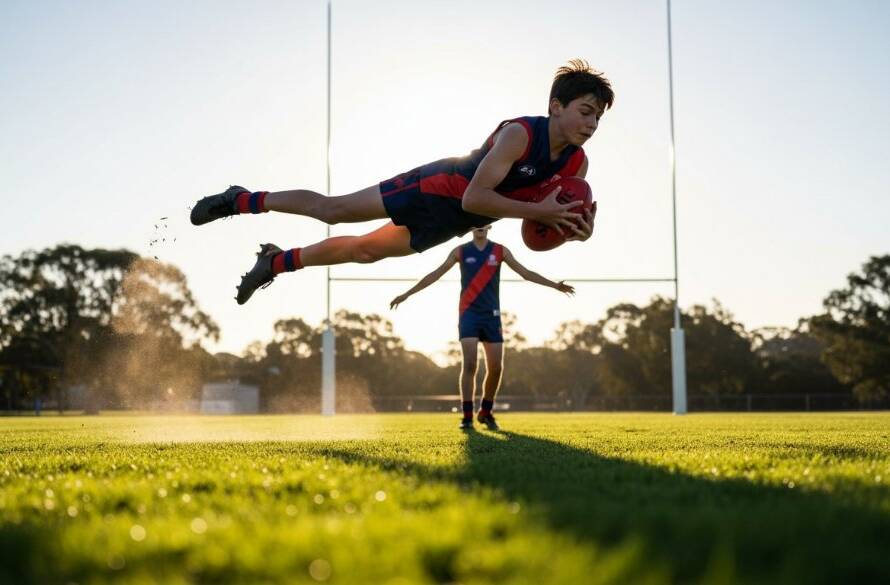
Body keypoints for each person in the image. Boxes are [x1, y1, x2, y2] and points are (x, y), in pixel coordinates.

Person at [190, 59, 612, 304]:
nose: (592, 123)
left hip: (454, 222)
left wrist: (574, 231)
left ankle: (275, 262)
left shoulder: (577, 166)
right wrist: (540, 211)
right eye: (586, 111)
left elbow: (535, 229)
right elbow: (475, 196)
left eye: (598, 116)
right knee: (334, 211)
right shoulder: (520, 133)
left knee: (366, 252)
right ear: (556, 106)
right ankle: (243, 199)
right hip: (437, 186)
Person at [389, 225, 574, 430]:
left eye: (484, 223)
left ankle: (485, 412)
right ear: (470, 226)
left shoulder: (500, 251)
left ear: (490, 226)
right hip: (468, 314)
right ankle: (467, 417)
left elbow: (526, 273)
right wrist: (407, 293)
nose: (480, 226)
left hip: (491, 316)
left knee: (496, 368)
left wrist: (555, 285)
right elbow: (435, 274)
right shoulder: (460, 251)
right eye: (476, 222)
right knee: (470, 365)